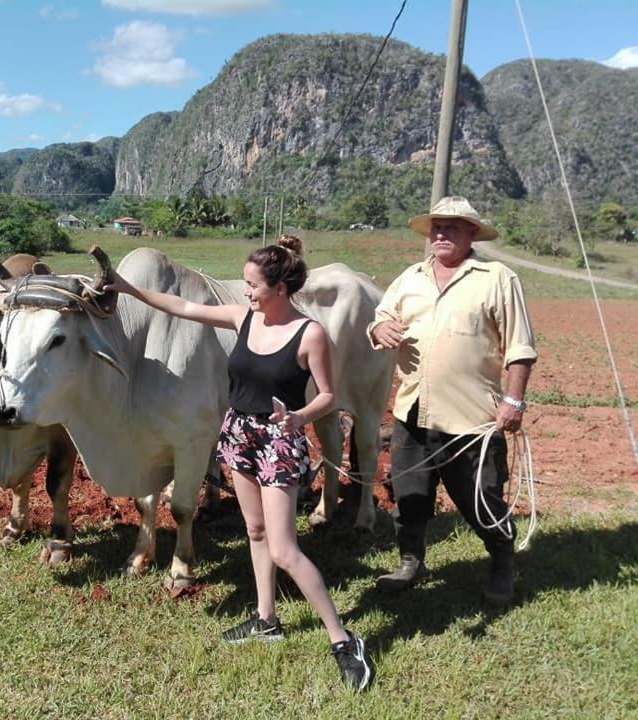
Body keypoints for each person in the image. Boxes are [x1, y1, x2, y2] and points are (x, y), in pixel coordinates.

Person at [106, 235, 373, 692]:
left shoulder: (309, 334)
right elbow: (180, 307)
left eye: (252, 284)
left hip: (279, 441)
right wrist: (129, 290)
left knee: (285, 549)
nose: (245, 290)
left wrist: (299, 417)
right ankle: (266, 619)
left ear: (280, 289)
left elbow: (328, 394)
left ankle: (344, 640)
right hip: (239, 436)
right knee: (255, 532)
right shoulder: (242, 319)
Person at [368, 196, 537, 606]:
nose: (441, 234)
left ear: (472, 234)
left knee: (482, 501)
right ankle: (411, 561)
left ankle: (501, 563)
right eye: (437, 228)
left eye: (452, 228)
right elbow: (379, 319)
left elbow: (520, 347)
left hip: (472, 421)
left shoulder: (496, 277)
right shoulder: (410, 277)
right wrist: (381, 328)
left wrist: (513, 400)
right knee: (409, 500)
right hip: (413, 413)